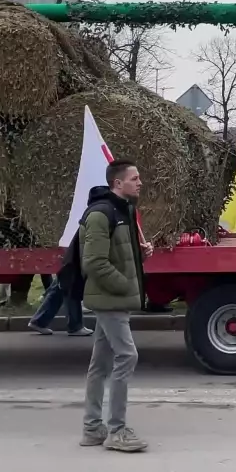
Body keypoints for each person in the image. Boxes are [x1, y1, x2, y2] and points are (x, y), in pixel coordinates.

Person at [78, 159, 148, 453]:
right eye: (134, 178)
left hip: (114, 296)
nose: (139, 182)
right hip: (109, 298)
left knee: (101, 363)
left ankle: (92, 428)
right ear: (117, 183)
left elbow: (119, 256)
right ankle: (116, 430)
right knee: (127, 356)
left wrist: (141, 254)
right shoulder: (100, 214)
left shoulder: (123, 212)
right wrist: (125, 286)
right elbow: (94, 262)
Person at [27, 259, 90, 336]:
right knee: (70, 282)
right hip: (73, 254)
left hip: (69, 253)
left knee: (62, 284)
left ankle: (39, 321)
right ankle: (75, 325)